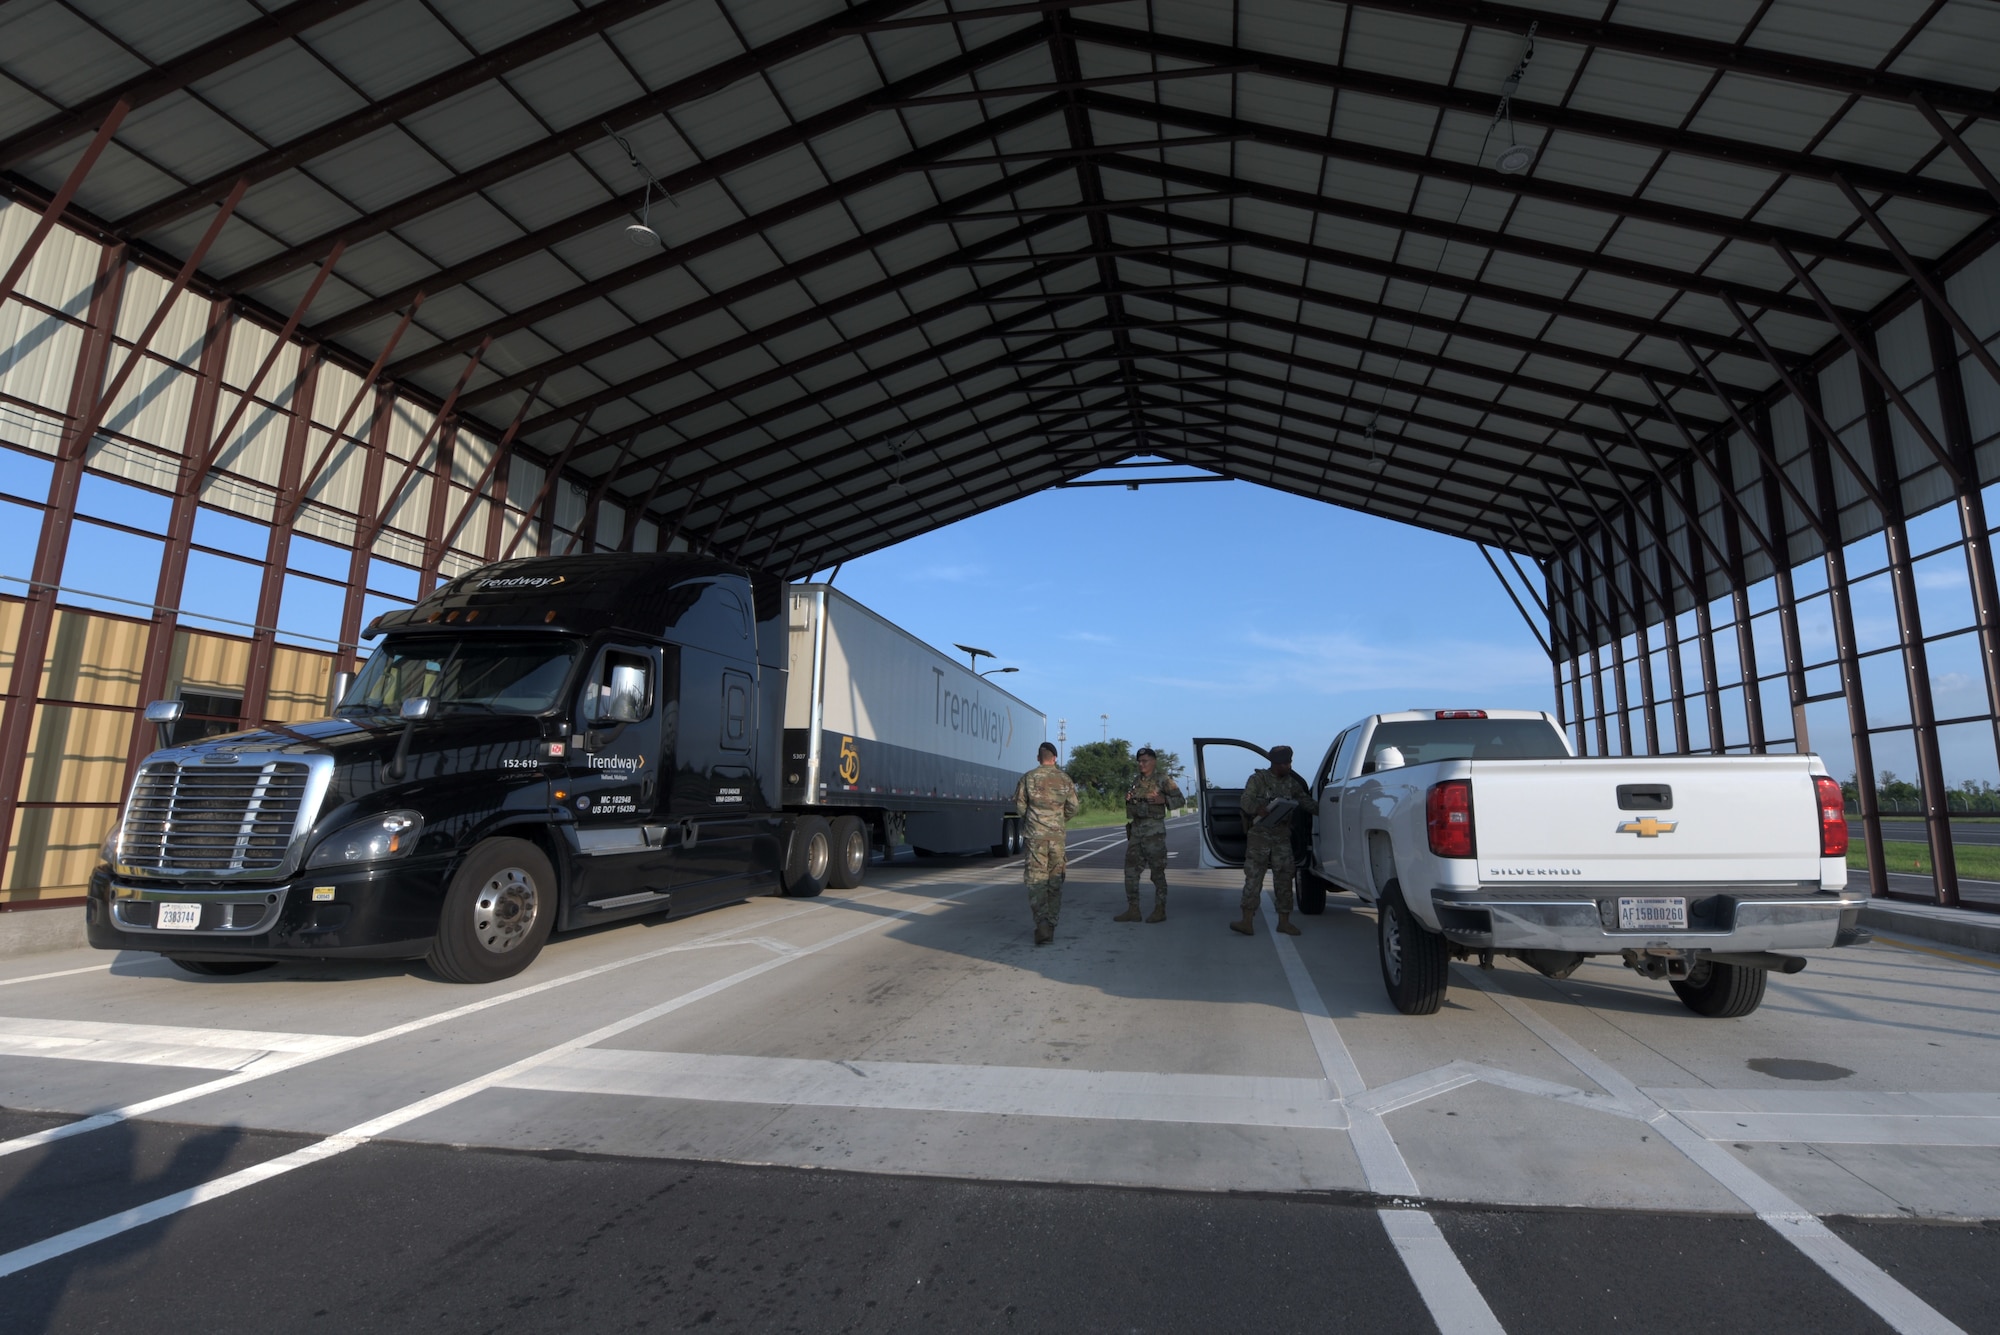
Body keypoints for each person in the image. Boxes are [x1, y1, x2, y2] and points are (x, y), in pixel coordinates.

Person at [1232, 744, 1312, 938]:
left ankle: (1284, 922)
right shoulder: (1258, 779)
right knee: (1253, 878)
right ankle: (1247, 921)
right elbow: (1245, 801)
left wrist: (1326, 808)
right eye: (1286, 763)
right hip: (1259, 836)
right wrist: (1258, 808)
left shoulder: (1291, 783)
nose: (1289, 766)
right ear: (1276, 763)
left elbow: (1304, 801)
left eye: (1290, 762)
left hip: (1281, 836)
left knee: (1284, 878)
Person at [1014, 741, 1079, 945]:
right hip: (1057, 838)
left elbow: (1019, 806)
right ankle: (1051, 924)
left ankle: (1041, 923)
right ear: (1055, 758)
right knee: (1055, 880)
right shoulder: (1065, 779)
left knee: (1036, 880)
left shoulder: (1028, 777)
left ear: (1038, 758)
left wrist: (1034, 822)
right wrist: (1058, 821)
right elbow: (1073, 807)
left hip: (1036, 838)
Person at [1116, 746, 1184, 923]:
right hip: (1136, 832)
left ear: (1153, 761)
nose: (1141, 764)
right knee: (1130, 872)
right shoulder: (1136, 781)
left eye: (1144, 761)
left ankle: (1160, 910)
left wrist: (1164, 800)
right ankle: (1133, 910)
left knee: (1157, 873)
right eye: (1139, 761)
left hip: (1154, 834)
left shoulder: (1163, 780)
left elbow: (1180, 800)